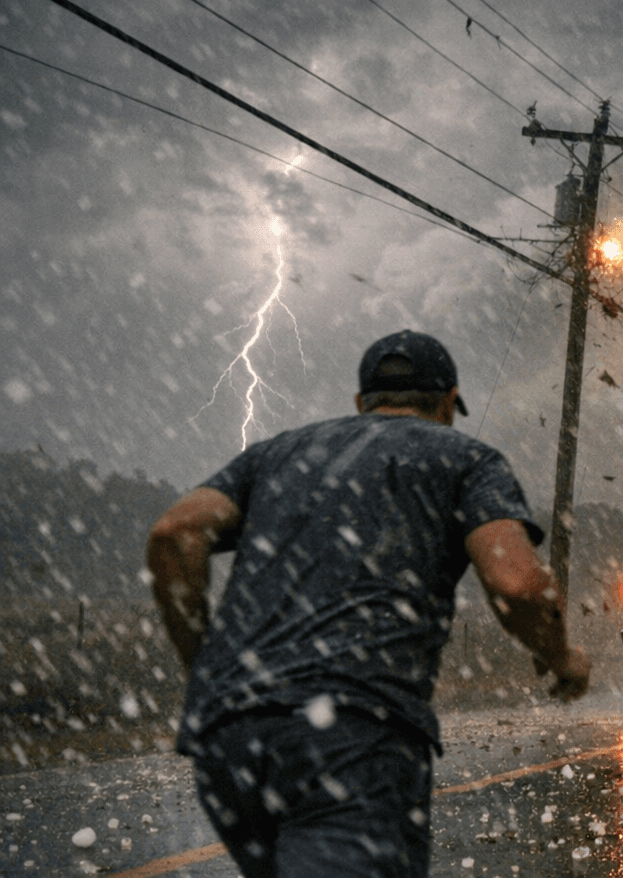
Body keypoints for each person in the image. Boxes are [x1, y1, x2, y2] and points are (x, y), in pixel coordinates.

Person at [147, 329, 590, 877]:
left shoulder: (276, 453)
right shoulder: (466, 459)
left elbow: (174, 533)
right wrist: (558, 655)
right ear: (450, 402)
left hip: (228, 738)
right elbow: (519, 586)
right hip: (351, 734)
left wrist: (206, 669)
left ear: (361, 402)